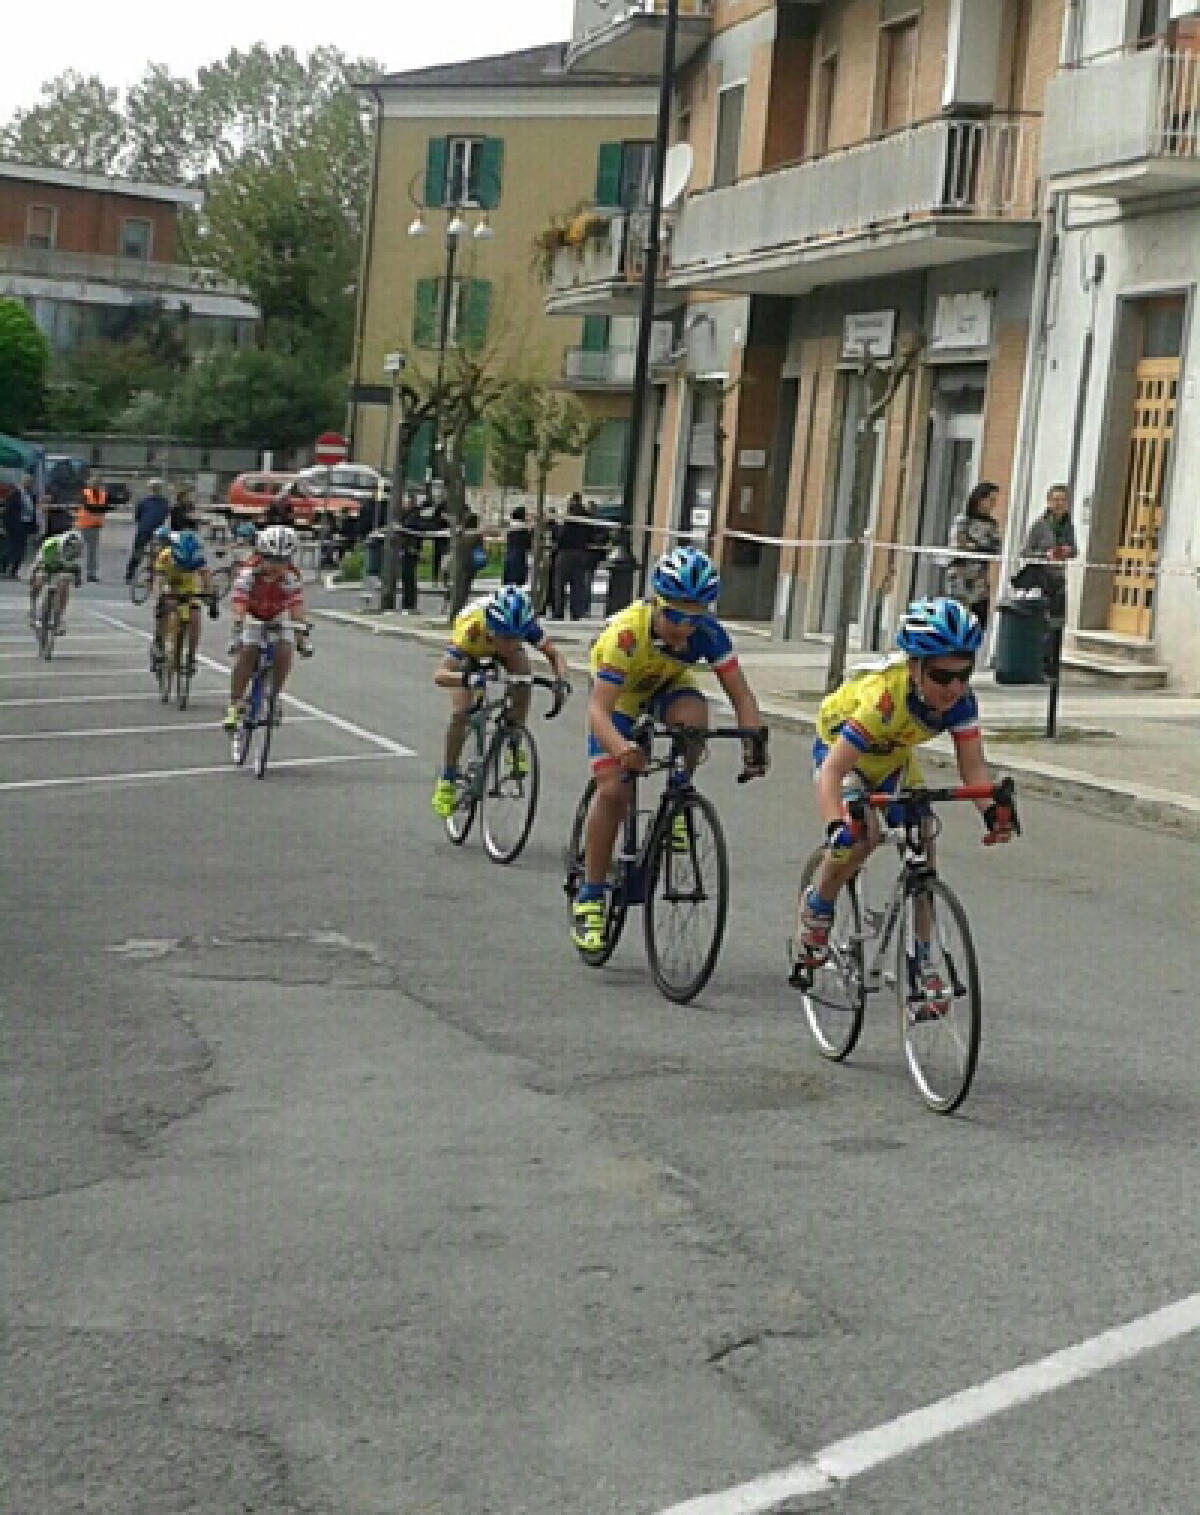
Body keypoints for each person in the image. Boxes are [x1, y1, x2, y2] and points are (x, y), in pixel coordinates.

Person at [792, 597, 1016, 989]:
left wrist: (990, 809)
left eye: (964, 674)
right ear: (914, 667)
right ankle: (818, 905)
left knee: (924, 833)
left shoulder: (960, 702)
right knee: (864, 836)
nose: (955, 688)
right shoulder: (882, 700)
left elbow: (972, 767)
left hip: (892, 759)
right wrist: (834, 825)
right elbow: (833, 771)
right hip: (842, 756)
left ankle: (922, 960)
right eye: (942, 678)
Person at [572, 546, 769, 953]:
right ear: (657, 603)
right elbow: (597, 709)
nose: (684, 626)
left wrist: (754, 742)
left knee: (694, 720)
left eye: (694, 617)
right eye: (676, 614)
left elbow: (741, 694)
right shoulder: (626, 635)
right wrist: (621, 748)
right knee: (613, 790)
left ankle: (677, 795)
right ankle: (590, 895)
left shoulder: (708, 634)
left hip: (665, 685)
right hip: (620, 698)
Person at [430, 585, 570, 819]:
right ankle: (447, 779)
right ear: (493, 629)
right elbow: (440, 675)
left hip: (497, 647)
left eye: (517, 638)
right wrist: (466, 677)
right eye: (505, 637)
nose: (511, 643)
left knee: (523, 677)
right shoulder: (472, 629)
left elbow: (555, 656)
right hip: (472, 652)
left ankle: (514, 739)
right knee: (461, 712)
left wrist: (561, 682)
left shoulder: (526, 628)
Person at [224, 525, 312, 731]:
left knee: (285, 647)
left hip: (277, 614)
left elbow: (296, 608)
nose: (276, 566)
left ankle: (273, 696)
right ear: (260, 556)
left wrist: (302, 638)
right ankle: (234, 704)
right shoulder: (249, 573)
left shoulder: (290, 577)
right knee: (248, 651)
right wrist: (237, 628)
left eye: (282, 561)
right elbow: (239, 603)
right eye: (271, 559)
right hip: (253, 614)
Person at [150, 529, 218, 675]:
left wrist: (211, 599)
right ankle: (158, 643)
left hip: (188, 587)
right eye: (181, 565)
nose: (183, 568)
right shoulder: (165, 556)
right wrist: (159, 599)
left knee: (195, 617)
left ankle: (191, 656)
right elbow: (158, 582)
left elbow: (207, 579)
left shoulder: (198, 558)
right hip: (169, 583)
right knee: (164, 606)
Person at [945, 480, 1002, 629]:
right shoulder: (963, 520)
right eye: (991, 499)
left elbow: (995, 546)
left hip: (980, 581)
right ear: (980, 499)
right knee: (958, 622)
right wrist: (976, 547)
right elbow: (959, 543)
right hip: (961, 579)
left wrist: (981, 548)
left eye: (995, 501)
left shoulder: (992, 524)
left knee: (978, 623)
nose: (993, 504)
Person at [1018, 482, 1077, 622]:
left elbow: (1075, 550)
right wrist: (1045, 555)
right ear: (1049, 502)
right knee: (1039, 619)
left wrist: (1067, 551)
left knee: (1057, 620)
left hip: (1058, 578)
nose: (1059, 504)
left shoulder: (1068, 527)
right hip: (1040, 579)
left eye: (1063, 500)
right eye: (1056, 500)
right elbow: (1025, 552)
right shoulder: (1039, 525)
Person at [28, 528, 84, 632]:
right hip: (48, 562)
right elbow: (39, 563)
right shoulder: (50, 544)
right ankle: (33, 608)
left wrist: (77, 578)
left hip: (62, 568)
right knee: (39, 579)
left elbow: (77, 569)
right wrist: (33, 574)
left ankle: (59, 617)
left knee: (64, 584)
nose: (71, 551)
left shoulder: (78, 550)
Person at [553, 492, 597, 620]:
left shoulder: (568, 515)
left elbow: (561, 534)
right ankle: (576, 612)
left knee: (559, 584)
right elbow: (591, 534)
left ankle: (558, 611)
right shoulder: (586, 516)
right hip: (581, 552)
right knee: (578, 584)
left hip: (566, 552)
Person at [125, 479, 171, 583]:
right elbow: (137, 516)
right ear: (150, 488)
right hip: (146, 529)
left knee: (158, 553)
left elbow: (166, 515)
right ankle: (130, 574)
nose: (155, 489)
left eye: (157, 487)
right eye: (154, 487)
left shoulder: (163, 502)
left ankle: (153, 575)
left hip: (156, 530)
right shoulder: (145, 501)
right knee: (138, 552)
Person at [450, 509, 487, 617]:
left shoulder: (460, 534)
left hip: (460, 563)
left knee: (459, 587)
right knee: (465, 587)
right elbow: (481, 547)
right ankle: (460, 610)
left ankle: (457, 610)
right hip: (471, 563)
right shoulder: (476, 536)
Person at [3, 474, 37, 578]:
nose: (29, 484)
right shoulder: (15, 494)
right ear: (22, 482)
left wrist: (34, 525)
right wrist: (6, 526)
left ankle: (14, 571)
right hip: (15, 525)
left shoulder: (30, 495)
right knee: (13, 548)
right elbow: (8, 511)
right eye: (27, 481)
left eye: (30, 482)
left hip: (25, 525)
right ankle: (5, 568)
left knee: (22, 549)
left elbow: (33, 511)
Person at [75, 478, 109, 582]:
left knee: (92, 551)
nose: (96, 485)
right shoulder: (84, 493)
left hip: (95, 525)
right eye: (95, 483)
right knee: (81, 550)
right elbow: (85, 506)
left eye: (97, 483)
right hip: (84, 524)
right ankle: (77, 572)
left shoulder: (102, 495)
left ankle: (91, 573)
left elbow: (104, 508)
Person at [398, 491, 425, 613]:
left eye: (407, 501)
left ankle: (410, 604)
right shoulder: (405, 515)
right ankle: (406, 603)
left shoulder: (414, 515)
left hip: (411, 549)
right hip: (405, 548)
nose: (405, 503)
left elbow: (414, 529)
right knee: (405, 577)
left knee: (409, 577)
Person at [502, 505, 533, 587]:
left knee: (508, 586)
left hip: (509, 557)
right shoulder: (524, 530)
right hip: (519, 559)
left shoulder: (510, 528)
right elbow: (528, 545)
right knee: (518, 586)